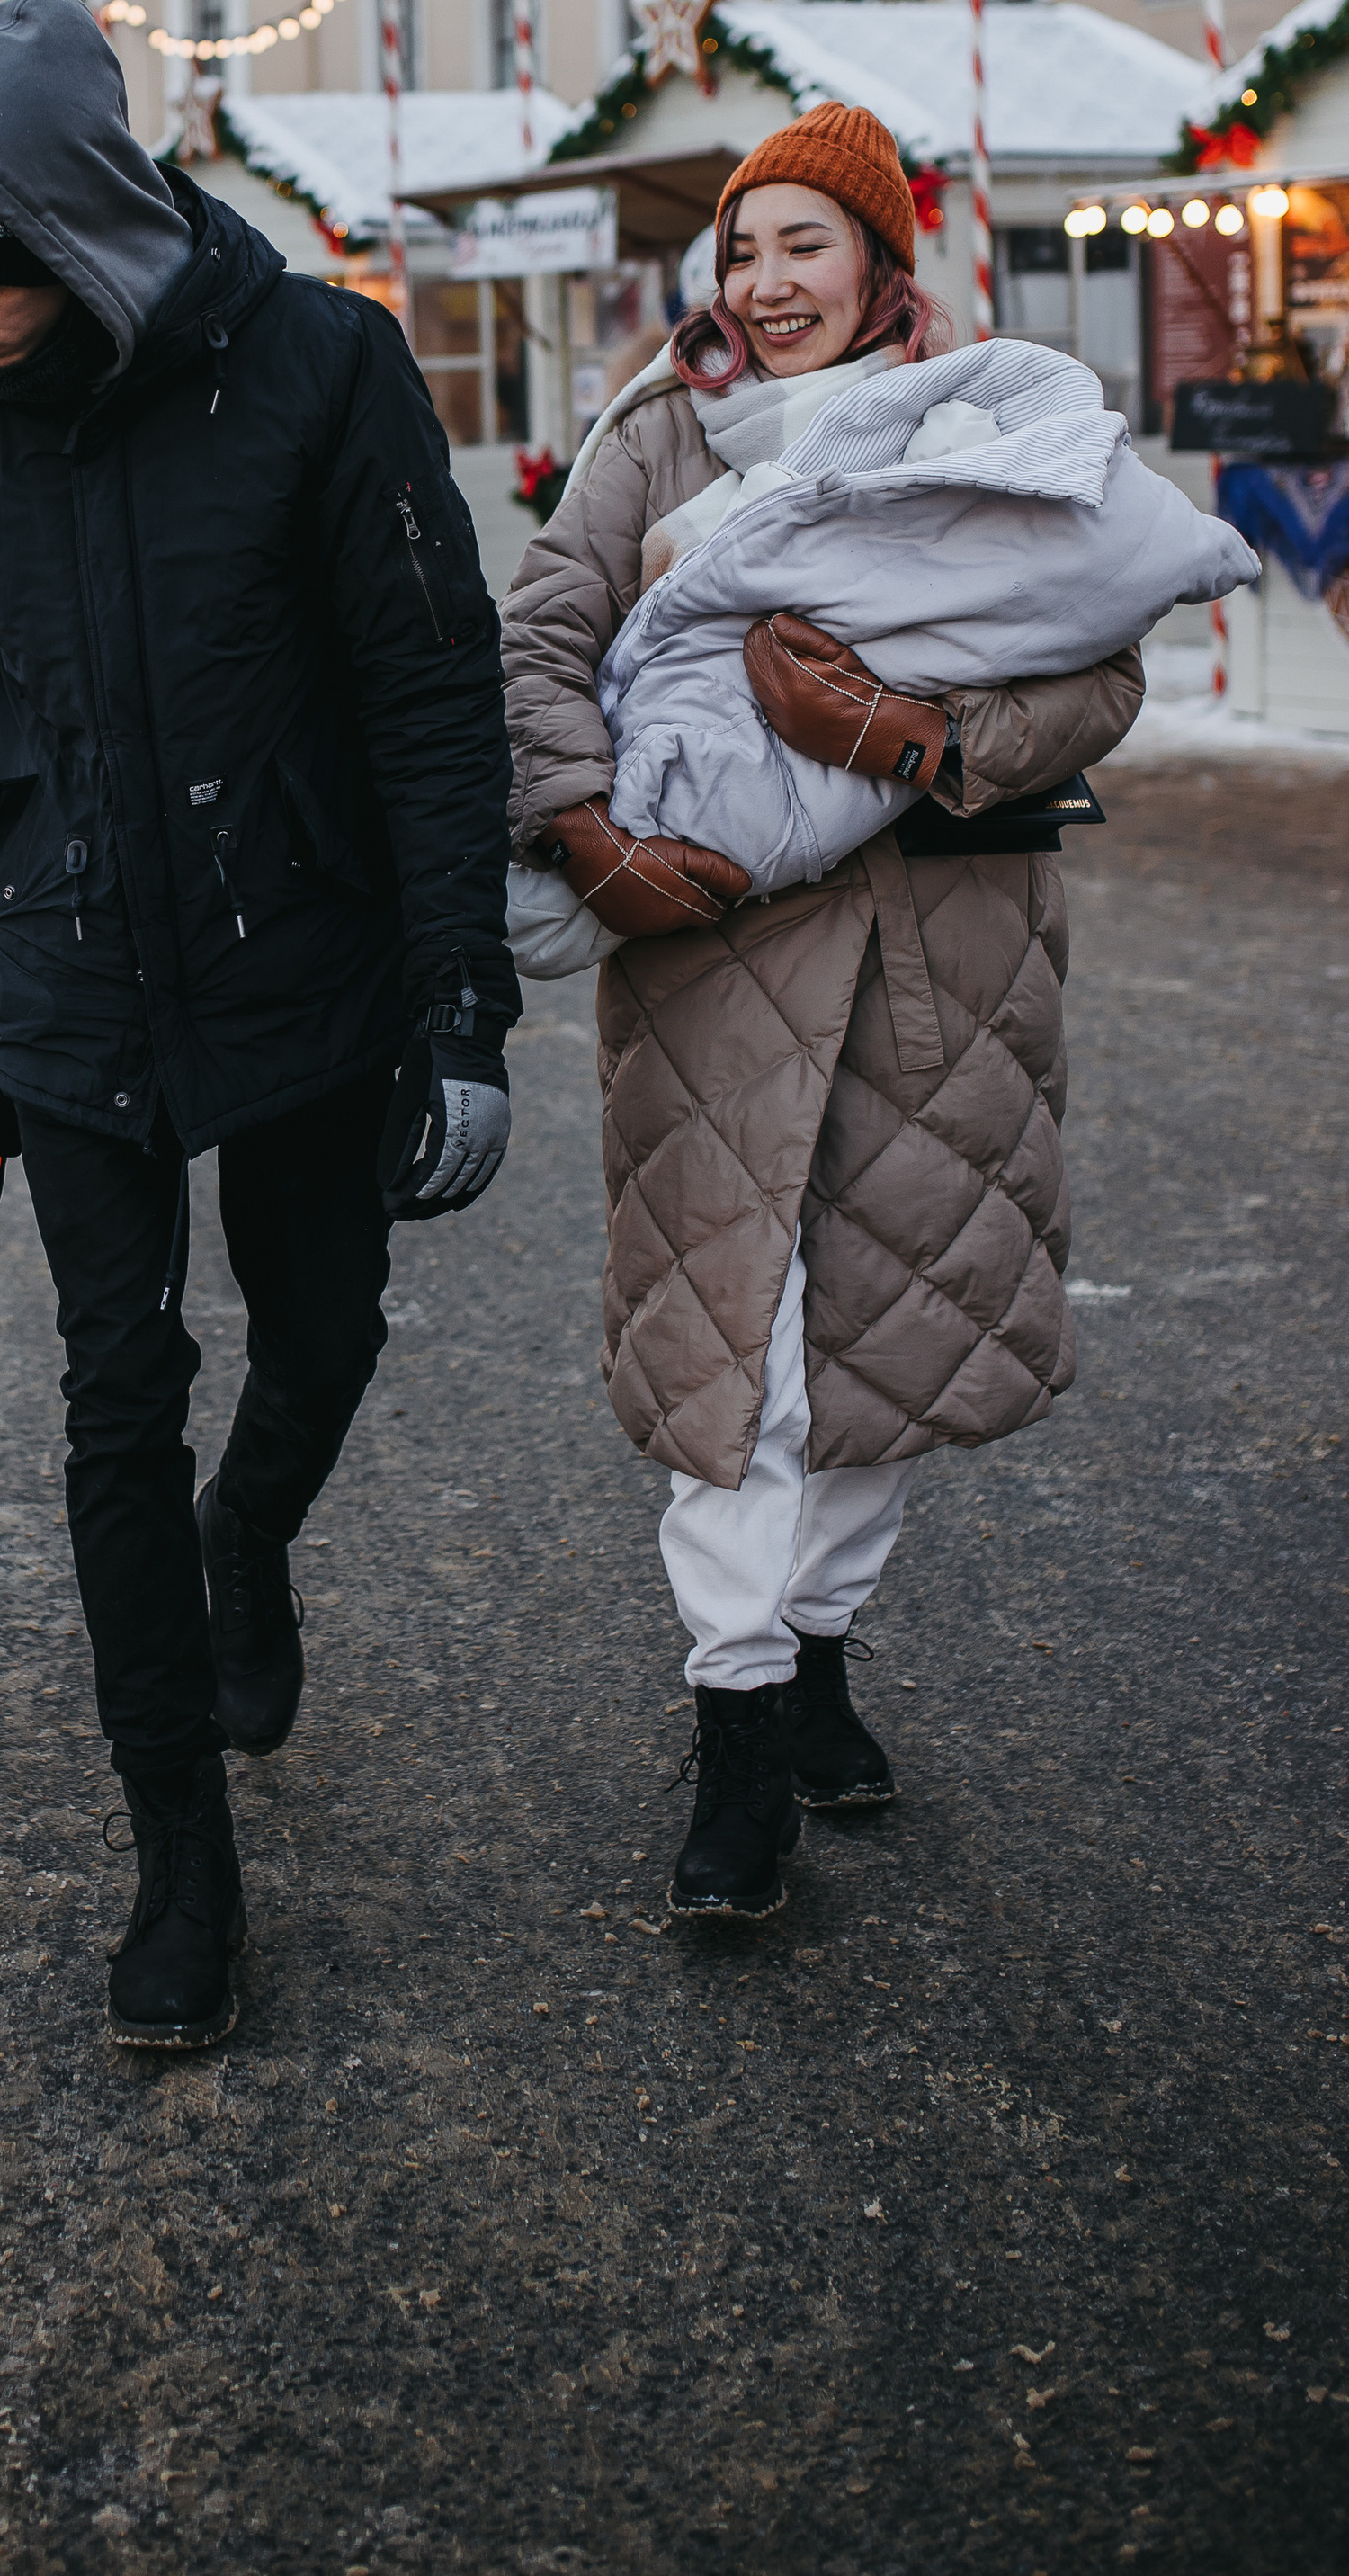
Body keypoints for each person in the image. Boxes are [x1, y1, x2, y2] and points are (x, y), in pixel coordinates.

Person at [0, 0, 518, 2053]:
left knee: (319, 1333)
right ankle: (178, 1858)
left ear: (74, 230)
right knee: (111, 1401)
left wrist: (459, 998)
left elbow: (426, 686)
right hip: (65, 970)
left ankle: (254, 1535)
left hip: (296, 955)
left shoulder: (316, 364)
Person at [499, 109, 1145, 1923]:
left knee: (882, 1336)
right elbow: (538, 640)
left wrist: (913, 739)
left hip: (941, 964)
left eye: (805, 244)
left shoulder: (975, 424)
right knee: (740, 1361)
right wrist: (586, 828)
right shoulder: (654, 434)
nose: (767, 284)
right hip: (711, 958)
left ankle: (817, 1656)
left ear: (877, 259)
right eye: (742, 247)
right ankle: (735, 1732)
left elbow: (1097, 668)